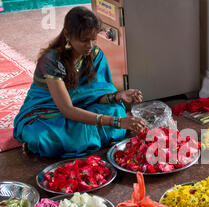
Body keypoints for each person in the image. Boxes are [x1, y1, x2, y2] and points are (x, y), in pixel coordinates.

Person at [13, 6, 146, 158]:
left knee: (116, 109)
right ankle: (53, 143)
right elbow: (67, 110)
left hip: (83, 108)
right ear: (67, 35)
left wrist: (118, 96)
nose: (90, 45)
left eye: (93, 39)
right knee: (42, 136)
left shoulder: (95, 55)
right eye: (84, 40)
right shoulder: (51, 61)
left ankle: (80, 139)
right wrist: (117, 123)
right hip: (50, 113)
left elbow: (95, 94)